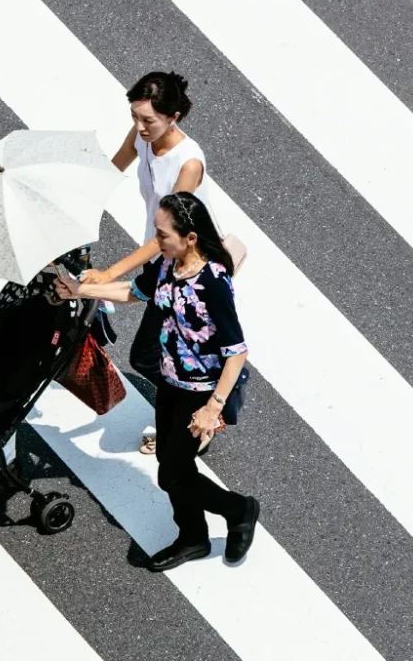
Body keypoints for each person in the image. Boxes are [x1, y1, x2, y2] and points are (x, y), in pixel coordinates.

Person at [56, 192, 260, 570]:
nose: (157, 240)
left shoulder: (212, 280)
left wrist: (211, 409)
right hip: (170, 382)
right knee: (173, 465)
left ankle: (239, 509)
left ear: (191, 238)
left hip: (200, 393)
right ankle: (193, 537)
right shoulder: (169, 264)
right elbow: (134, 292)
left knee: (172, 474)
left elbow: (237, 351)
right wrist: (81, 290)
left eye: (163, 234)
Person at [80, 71, 214, 455]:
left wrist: (108, 273)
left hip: (189, 269)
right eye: (135, 116)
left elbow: (165, 236)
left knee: (146, 355)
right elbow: (110, 171)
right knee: (166, 350)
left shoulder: (188, 163)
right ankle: (194, 403)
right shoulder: (142, 138)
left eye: (148, 120)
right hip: (164, 259)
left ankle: (201, 414)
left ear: (174, 116)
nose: (139, 127)